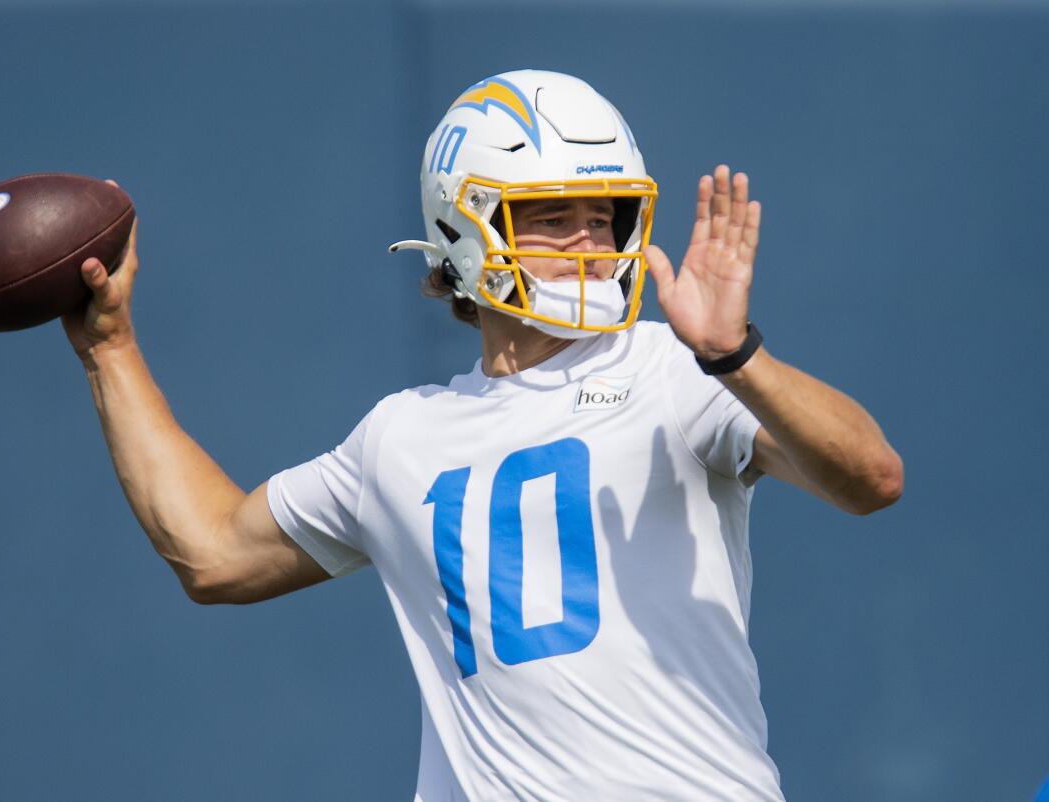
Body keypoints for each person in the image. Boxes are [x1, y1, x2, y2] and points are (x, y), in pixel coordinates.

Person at [64, 70, 902, 801]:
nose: (589, 242)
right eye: (552, 216)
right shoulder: (399, 438)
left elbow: (870, 477)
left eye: (604, 217)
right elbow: (212, 553)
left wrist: (735, 355)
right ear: (465, 230)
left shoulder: (674, 369)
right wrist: (110, 348)